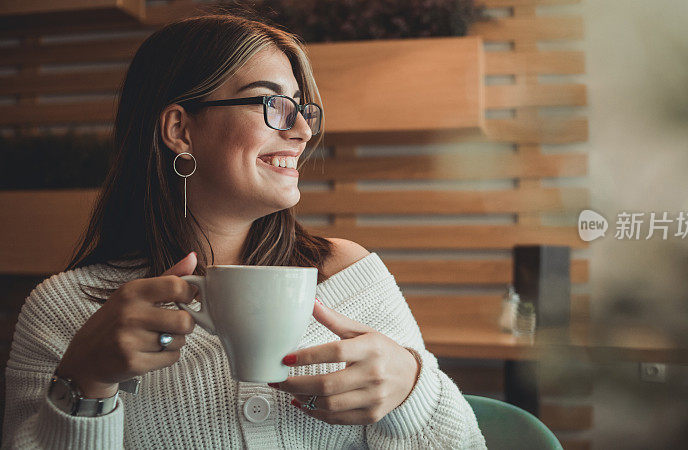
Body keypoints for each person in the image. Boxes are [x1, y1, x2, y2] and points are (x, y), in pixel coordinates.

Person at [1, 11, 486, 450]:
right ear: (180, 130)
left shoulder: (351, 278)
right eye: (270, 103)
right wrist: (85, 385)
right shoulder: (67, 312)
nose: (302, 131)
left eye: (302, 109)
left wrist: (412, 389)